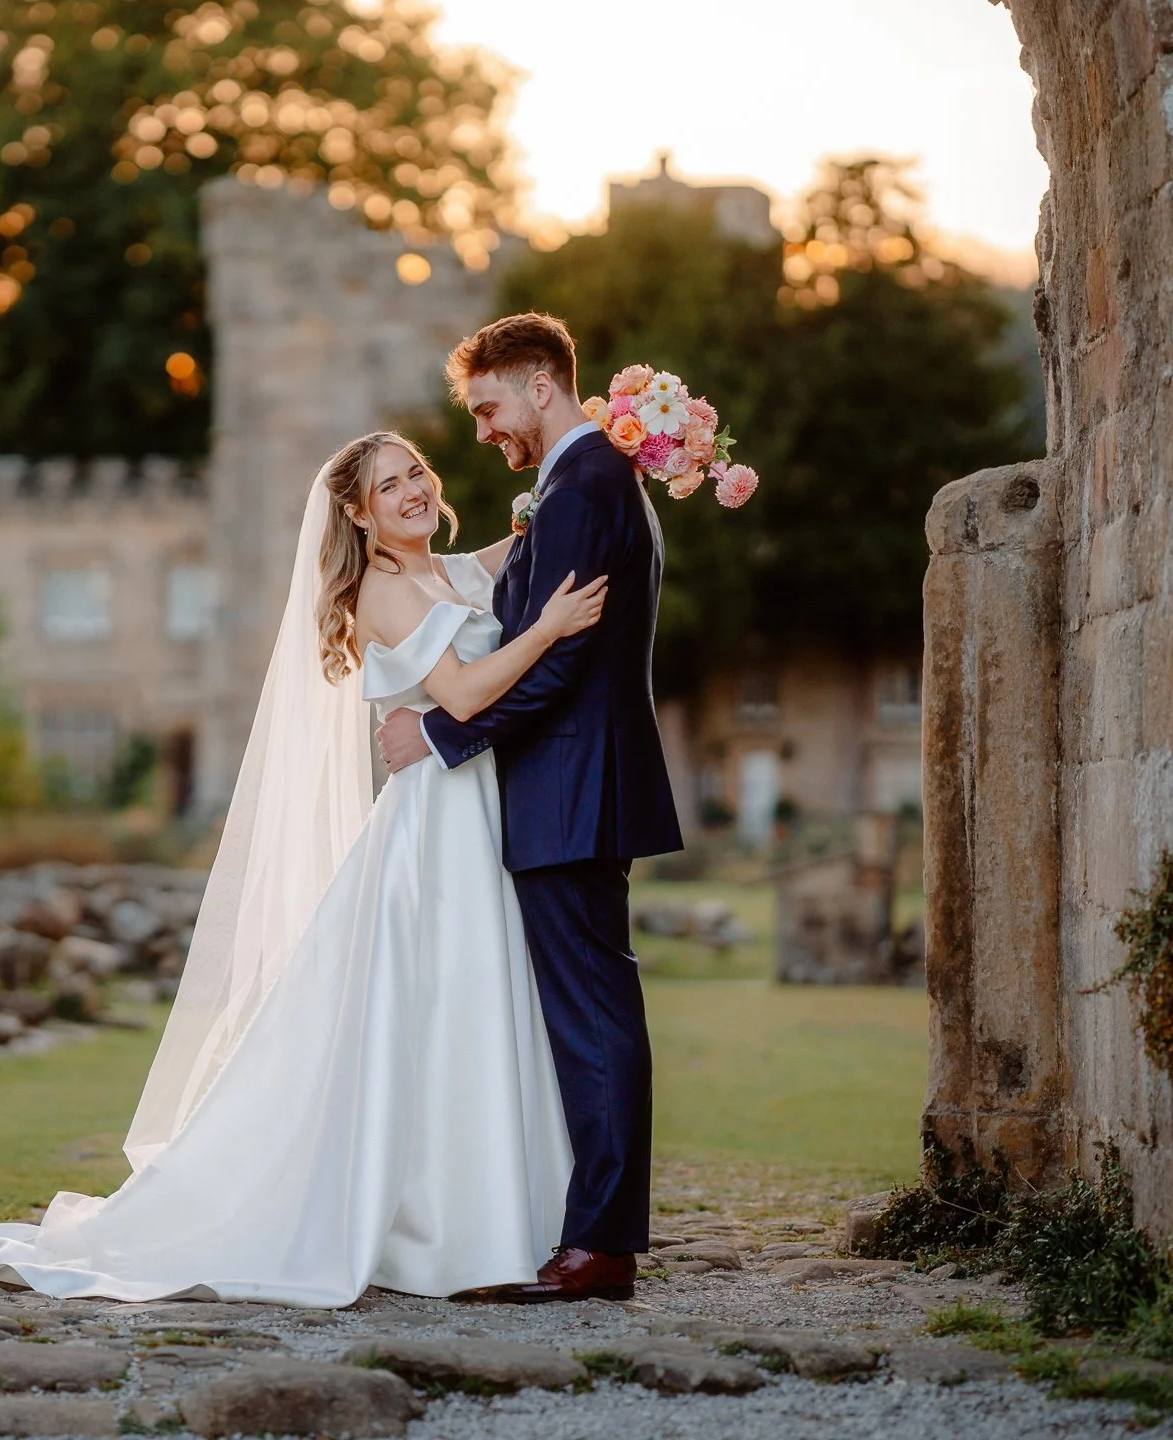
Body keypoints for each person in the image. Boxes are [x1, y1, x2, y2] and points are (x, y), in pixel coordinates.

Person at [0, 425, 612, 1305]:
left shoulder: (450, 571)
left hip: (485, 811)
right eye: (389, 487)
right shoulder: (385, 590)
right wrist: (550, 627)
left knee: (481, 1006)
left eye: (416, 472)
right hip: (436, 832)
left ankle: (494, 1215)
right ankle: (435, 1228)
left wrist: (619, 450)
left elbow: (537, 527)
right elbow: (461, 693)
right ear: (357, 513)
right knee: (438, 1006)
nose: (414, 490)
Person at [376, 312, 682, 1302]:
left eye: (488, 407)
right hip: (571, 785)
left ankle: (598, 1248)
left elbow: (563, 663)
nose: (481, 432)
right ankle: (589, 1229)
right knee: (589, 1012)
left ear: (539, 386)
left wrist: (438, 735)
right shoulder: (578, 483)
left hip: (572, 787)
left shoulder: (586, 482)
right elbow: (539, 638)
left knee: (594, 1018)